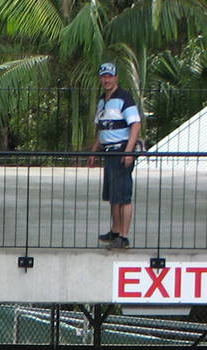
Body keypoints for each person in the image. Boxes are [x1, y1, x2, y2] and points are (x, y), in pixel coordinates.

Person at [87, 62, 142, 251]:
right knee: (113, 196)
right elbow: (102, 129)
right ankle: (115, 230)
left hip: (120, 152)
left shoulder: (124, 97)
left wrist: (128, 151)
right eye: (103, 77)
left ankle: (124, 236)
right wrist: (94, 151)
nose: (106, 80)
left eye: (109, 76)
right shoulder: (103, 100)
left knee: (123, 196)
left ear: (116, 77)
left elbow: (135, 124)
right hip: (108, 152)